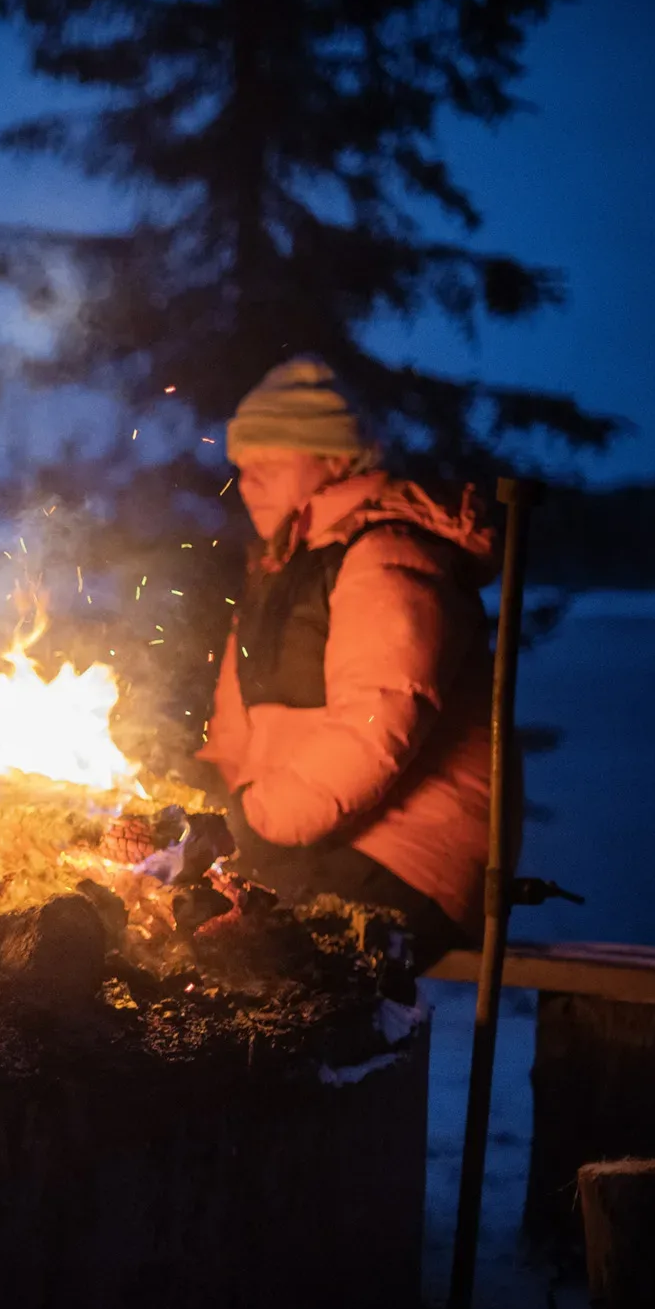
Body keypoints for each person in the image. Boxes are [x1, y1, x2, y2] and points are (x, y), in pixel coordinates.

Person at [200, 356, 506, 966]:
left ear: (336, 460)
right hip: (309, 843)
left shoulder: (386, 554)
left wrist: (250, 824)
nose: (247, 477)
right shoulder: (281, 572)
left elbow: (378, 725)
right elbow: (233, 739)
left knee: (230, 968)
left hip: (406, 862)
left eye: (270, 458)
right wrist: (199, 818)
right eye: (242, 463)